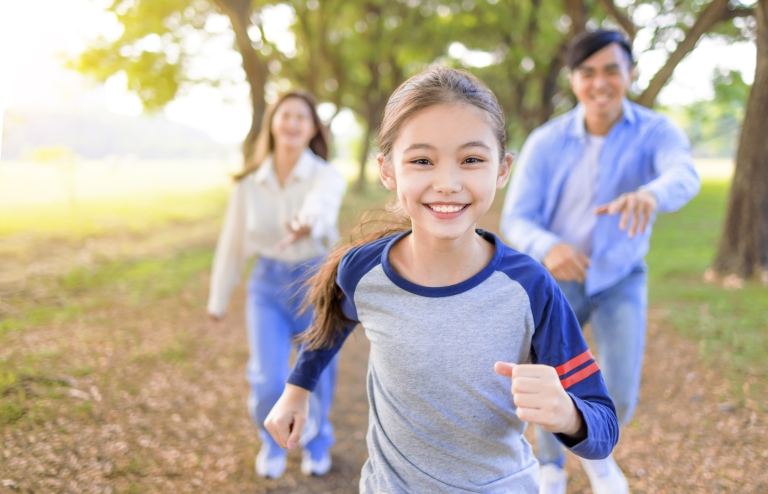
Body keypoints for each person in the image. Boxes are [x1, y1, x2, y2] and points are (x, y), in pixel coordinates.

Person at [264, 67, 619, 493]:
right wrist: (297, 389)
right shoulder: (363, 272)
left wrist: (568, 414)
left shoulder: (530, 287)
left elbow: (603, 428)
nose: (447, 183)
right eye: (421, 161)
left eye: (471, 159)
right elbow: (332, 321)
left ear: (503, 169)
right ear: (387, 170)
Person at [500, 30, 701, 494]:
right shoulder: (547, 142)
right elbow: (517, 216)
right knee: (549, 380)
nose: (600, 83)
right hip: (555, 280)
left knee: (621, 391)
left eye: (612, 70)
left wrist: (651, 194)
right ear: (573, 81)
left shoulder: (655, 130)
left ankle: (597, 453)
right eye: (587, 73)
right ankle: (550, 463)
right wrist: (548, 245)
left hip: (620, 277)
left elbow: (683, 173)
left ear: (631, 74)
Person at [207, 90, 347, 479]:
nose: (293, 123)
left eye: (302, 117)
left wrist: (308, 222)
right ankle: (273, 442)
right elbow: (232, 243)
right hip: (266, 287)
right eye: (286, 115)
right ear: (272, 123)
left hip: (313, 283)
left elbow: (322, 205)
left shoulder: (326, 174)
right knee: (268, 380)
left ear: (312, 128)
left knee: (316, 375)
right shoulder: (249, 184)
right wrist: (218, 298)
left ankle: (318, 441)